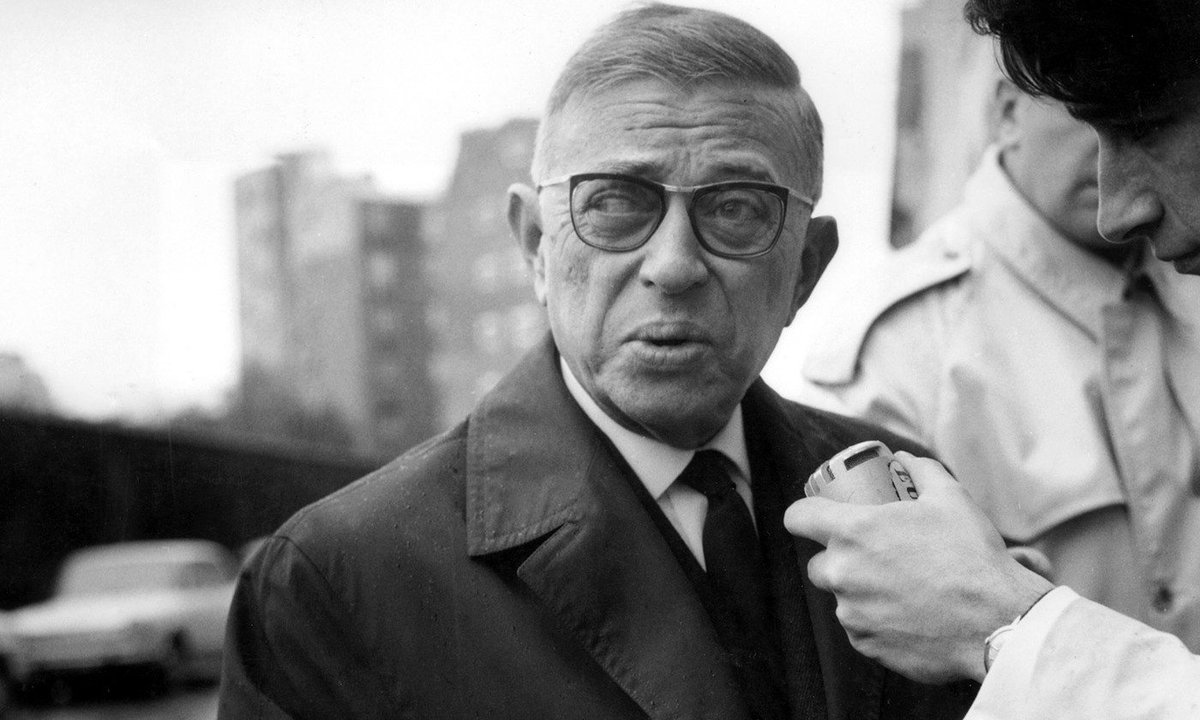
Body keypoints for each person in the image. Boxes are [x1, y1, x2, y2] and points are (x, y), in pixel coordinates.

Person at [217, 5, 976, 719]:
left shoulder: (915, 507)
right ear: (536, 246)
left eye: (735, 207)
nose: (673, 266)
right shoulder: (337, 581)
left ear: (805, 269)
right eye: (615, 203)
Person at [786, 0, 1200, 717]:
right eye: (1088, 121)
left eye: (1139, 125)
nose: (1118, 206)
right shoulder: (895, 348)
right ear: (1005, 112)